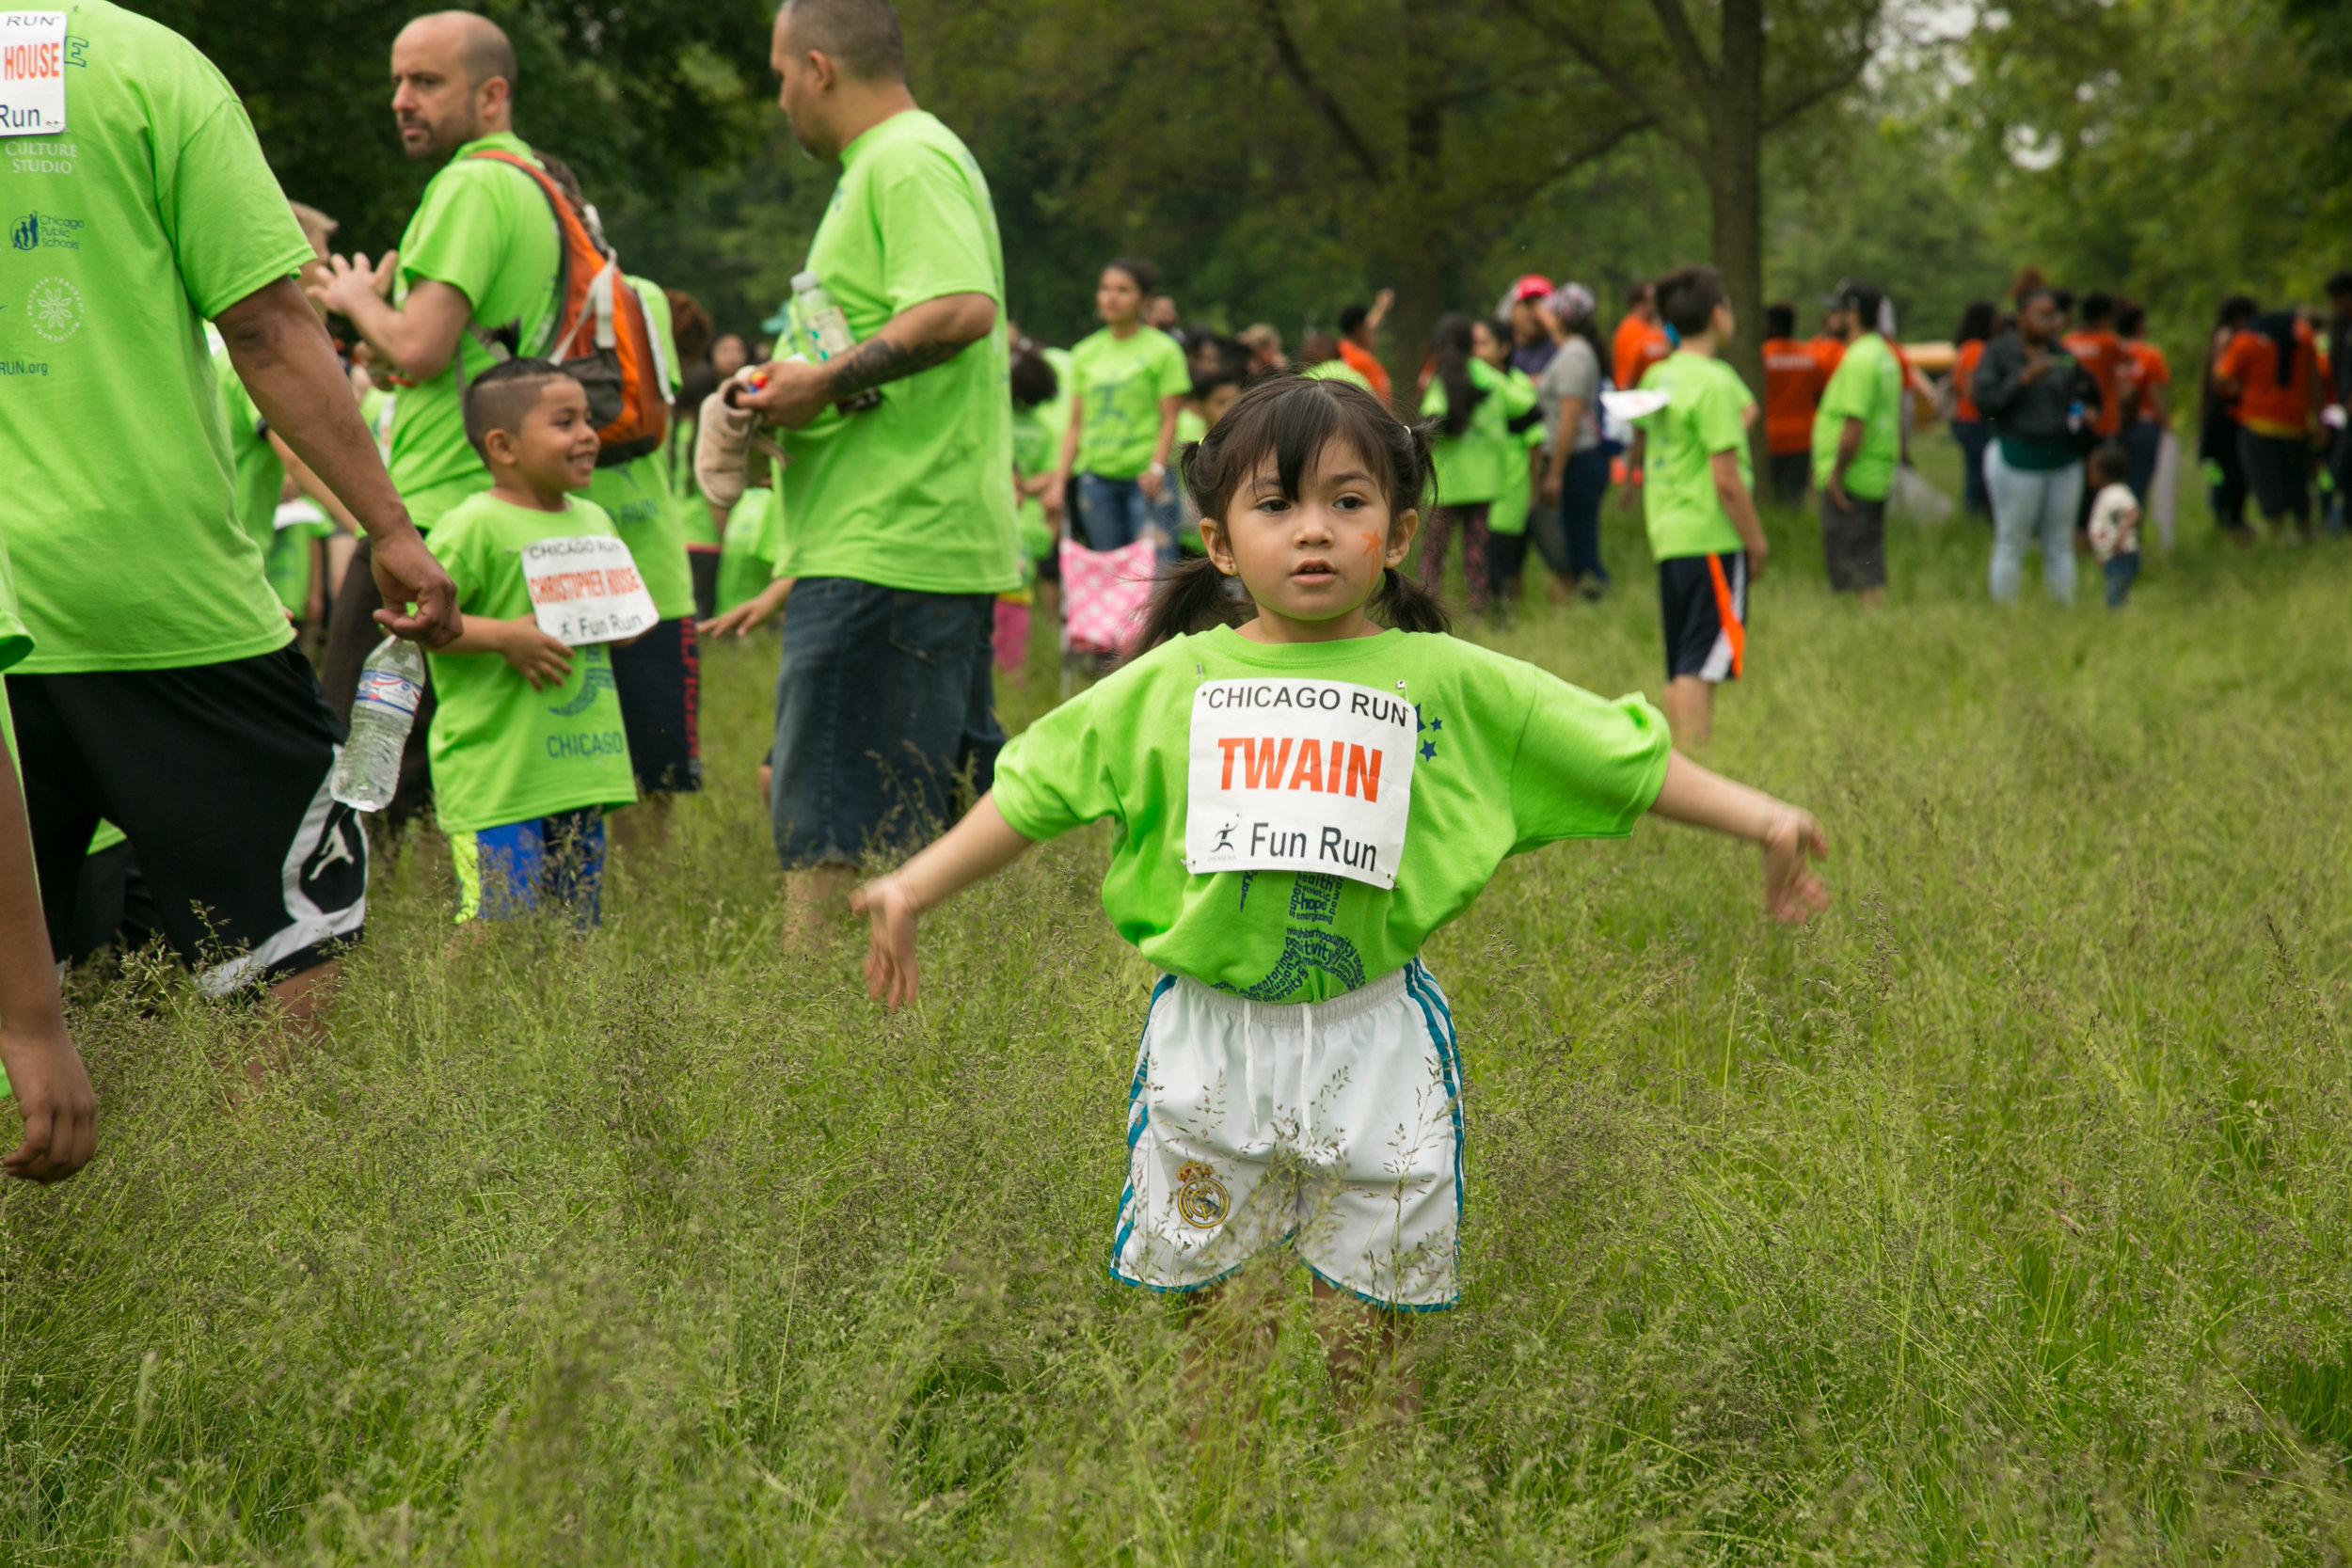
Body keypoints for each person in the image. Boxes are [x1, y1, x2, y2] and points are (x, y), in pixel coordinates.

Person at [845, 375, 1829, 1403]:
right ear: (1221, 542)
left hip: (1377, 1042)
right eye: (1276, 505)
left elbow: (1612, 753)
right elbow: (1033, 790)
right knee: (1215, 1338)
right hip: (1208, 1044)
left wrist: (1761, 816)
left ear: (1398, 534)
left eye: (1347, 503)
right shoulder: (1170, 682)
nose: (1313, 532)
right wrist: (914, 886)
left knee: (1372, 1339)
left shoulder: (1444, 676)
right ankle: (1220, 1519)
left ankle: (1369, 1507)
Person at [6, 0, 456, 1024]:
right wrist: (390, 530)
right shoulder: (148, 67)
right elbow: (262, 323)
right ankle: (273, 1179)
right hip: (152, 593)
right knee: (294, 944)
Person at [723, 0, 1019, 932]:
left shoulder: (905, 158)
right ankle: (894, 1047)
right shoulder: (896, 164)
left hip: (887, 547)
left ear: (817, 68)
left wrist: (820, 385)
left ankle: (808, 1050)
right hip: (889, 541)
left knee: (826, 840)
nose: (779, 101)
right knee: (912, 834)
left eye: (778, 77)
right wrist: (789, 388)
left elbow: (959, 308)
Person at [311, 11, 564, 828]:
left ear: (492, 96)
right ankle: (462, 930)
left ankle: (356, 931)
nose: (401, 100)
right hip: (504, 495)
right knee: (454, 748)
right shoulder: (541, 185)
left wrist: (355, 302)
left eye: (426, 82)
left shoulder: (469, 184)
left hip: (428, 504)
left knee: (359, 735)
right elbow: (459, 351)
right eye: (397, 81)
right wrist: (391, 340)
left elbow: (417, 350)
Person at [423, 361, 637, 925]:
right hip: (500, 774)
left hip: (582, 767)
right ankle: (454, 1016)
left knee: (576, 928)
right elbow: (411, 621)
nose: (588, 434)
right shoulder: (473, 525)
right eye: (565, 422)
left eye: (589, 419)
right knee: (496, 919)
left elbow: (621, 615)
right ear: (503, 445)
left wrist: (622, 621)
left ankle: (569, 1017)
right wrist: (504, 637)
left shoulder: (594, 518)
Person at [1631, 267, 1769, 747]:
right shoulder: (1715, 383)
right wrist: (1756, 542)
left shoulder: (1659, 374)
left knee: (1680, 660)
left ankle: (1683, 760)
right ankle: (1695, 762)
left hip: (1668, 536)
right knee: (1700, 662)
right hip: (1711, 534)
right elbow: (1727, 482)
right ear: (1718, 314)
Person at [1973, 285, 2101, 604]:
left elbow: (2086, 391)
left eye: (2054, 316)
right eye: (2041, 316)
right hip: (2017, 453)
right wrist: (2021, 379)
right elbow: (1984, 403)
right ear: (2021, 318)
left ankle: (2064, 609)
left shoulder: (2063, 357)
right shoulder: (1999, 353)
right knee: (2012, 540)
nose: (2050, 322)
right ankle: (2006, 613)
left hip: (2061, 456)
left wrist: (2088, 411)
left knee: (2059, 543)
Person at [1055, 258, 1191, 557]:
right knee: (1109, 572)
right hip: (1096, 480)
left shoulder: (1163, 350)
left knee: (1156, 575)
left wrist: (1156, 466)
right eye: (1105, 289)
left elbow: (1170, 418)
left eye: (1123, 290)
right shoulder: (1085, 352)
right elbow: (1075, 423)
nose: (1111, 297)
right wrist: (1059, 480)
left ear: (1144, 300)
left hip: (1147, 479)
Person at [1419, 314, 1531, 617]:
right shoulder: (1485, 374)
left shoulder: (1441, 377)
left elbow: (1432, 420)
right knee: (1476, 552)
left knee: (1433, 553)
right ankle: (1478, 613)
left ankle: (1426, 611)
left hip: (1446, 483)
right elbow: (1525, 404)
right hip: (1485, 483)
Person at [1810, 282, 1902, 605]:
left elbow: (1854, 423)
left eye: (1835, 312)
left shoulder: (1860, 360)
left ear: (1852, 315)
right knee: (1867, 553)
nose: (1829, 319)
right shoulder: (1884, 355)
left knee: (1857, 566)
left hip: (1854, 475)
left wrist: (1835, 473)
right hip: (1875, 470)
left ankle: (1867, 626)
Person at [2216, 302, 2327, 542]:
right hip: (2296, 423)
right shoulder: (2304, 336)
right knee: (2297, 480)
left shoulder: (2246, 339)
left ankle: (2276, 535)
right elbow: (2314, 380)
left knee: (2266, 480)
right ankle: (2305, 531)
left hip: (2258, 422)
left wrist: (2222, 351)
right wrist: (2318, 419)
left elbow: (2224, 379)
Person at [1534, 284, 1613, 602]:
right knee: (1576, 539)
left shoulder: (1574, 354)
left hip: (1576, 460)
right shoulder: (1573, 351)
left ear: (1562, 317)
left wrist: (1555, 472)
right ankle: (1589, 601)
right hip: (1575, 459)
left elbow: (1568, 418)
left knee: (1581, 544)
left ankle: (1598, 600)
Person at [2197, 294, 2258, 544]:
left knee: (2225, 469)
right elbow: (2220, 378)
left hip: (2221, 414)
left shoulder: (2221, 336)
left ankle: (2228, 517)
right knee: (2232, 468)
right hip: (2228, 415)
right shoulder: (2228, 337)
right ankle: (2230, 519)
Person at [1760, 302, 1826, 508]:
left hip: (1768, 437)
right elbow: (1820, 396)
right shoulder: (1810, 357)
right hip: (1801, 438)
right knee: (1794, 498)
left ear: (1771, 325)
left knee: (1768, 496)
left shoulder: (1761, 357)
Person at [2115, 301, 2169, 505]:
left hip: (2113, 425)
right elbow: (2156, 394)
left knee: (2114, 484)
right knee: (2138, 483)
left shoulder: (2111, 351)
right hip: (2144, 426)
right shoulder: (2149, 355)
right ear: (2138, 325)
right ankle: (2132, 531)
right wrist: (2167, 426)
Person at [1948, 300, 1997, 521]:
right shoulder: (1976, 349)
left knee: (1974, 473)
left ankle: (1972, 519)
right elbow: (1970, 390)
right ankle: (1974, 519)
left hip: (1964, 420)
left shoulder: (1964, 348)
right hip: (1974, 420)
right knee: (1979, 476)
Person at [2061, 293, 2129, 445]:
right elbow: (2129, 364)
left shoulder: (2067, 342)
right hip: (2105, 419)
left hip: (2074, 419)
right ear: (2104, 317)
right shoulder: (2110, 343)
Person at [2084, 442, 2141, 610]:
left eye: (2092, 469)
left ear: (2104, 472)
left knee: (2115, 593)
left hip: (2122, 554)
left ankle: (2117, 619)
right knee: (2115, 589)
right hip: (2113, 555)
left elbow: (2134, 511)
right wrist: (2102, 554)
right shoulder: (2107, 493)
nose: (2089, 473)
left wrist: (2121, 535)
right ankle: (2119, 615)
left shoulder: (2117, 492)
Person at [1612, 281, 1672, 404]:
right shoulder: (1631, 328)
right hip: (1631, 397)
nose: (1656, 305)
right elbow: (1635, 364)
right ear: (1638, 304)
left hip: (1643, 395)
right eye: (1651, 301)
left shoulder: (1649, 327)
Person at [2326, 273, 2352, 531]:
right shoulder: (2341, 327)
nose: (2335, 306)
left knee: (2339, 469)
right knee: (2339, 471)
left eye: (2338, 299)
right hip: (2341, 410)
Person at [1337, 290, 1395, 404]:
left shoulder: (1345, 350)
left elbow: (1370, 324)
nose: (1375, 334)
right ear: (1359, 330)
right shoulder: (1358, 359)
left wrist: (1381, 307)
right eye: (1371, 331)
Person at [1504, 275, 1557, 378]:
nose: (1535, 312)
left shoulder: (1560, 347)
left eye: (1542, 305)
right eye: (1528, 304)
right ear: (1513, 308)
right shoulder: (1498, 344)